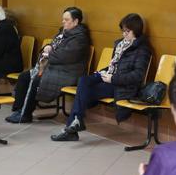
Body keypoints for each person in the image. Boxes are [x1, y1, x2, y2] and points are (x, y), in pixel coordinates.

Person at [51, 13, 151, 141]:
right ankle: (76, 122)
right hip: (110, 77)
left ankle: (73, 126)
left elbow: (137, 76)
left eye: (128, 31)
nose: (124, 34)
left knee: (83, 92)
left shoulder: (142, 50)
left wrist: (112, 79)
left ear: (136, 31)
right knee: (83, 81)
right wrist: (100, 73)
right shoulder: (120, 44)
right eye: (123, 31)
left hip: (121, 85)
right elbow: (114, 66)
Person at [5, 6, 90, 123]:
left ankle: (26, 113)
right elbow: (52, 47)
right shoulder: (62, 33)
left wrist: (49, 53)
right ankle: (20, 109)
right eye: (63, 19)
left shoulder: (80, 38)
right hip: (54, 68)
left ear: (76, 21)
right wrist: (47, 47)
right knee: (24, 77)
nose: (63, 22)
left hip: (68, 72)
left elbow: (63, 56)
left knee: (35, 80)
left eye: (66, 20)